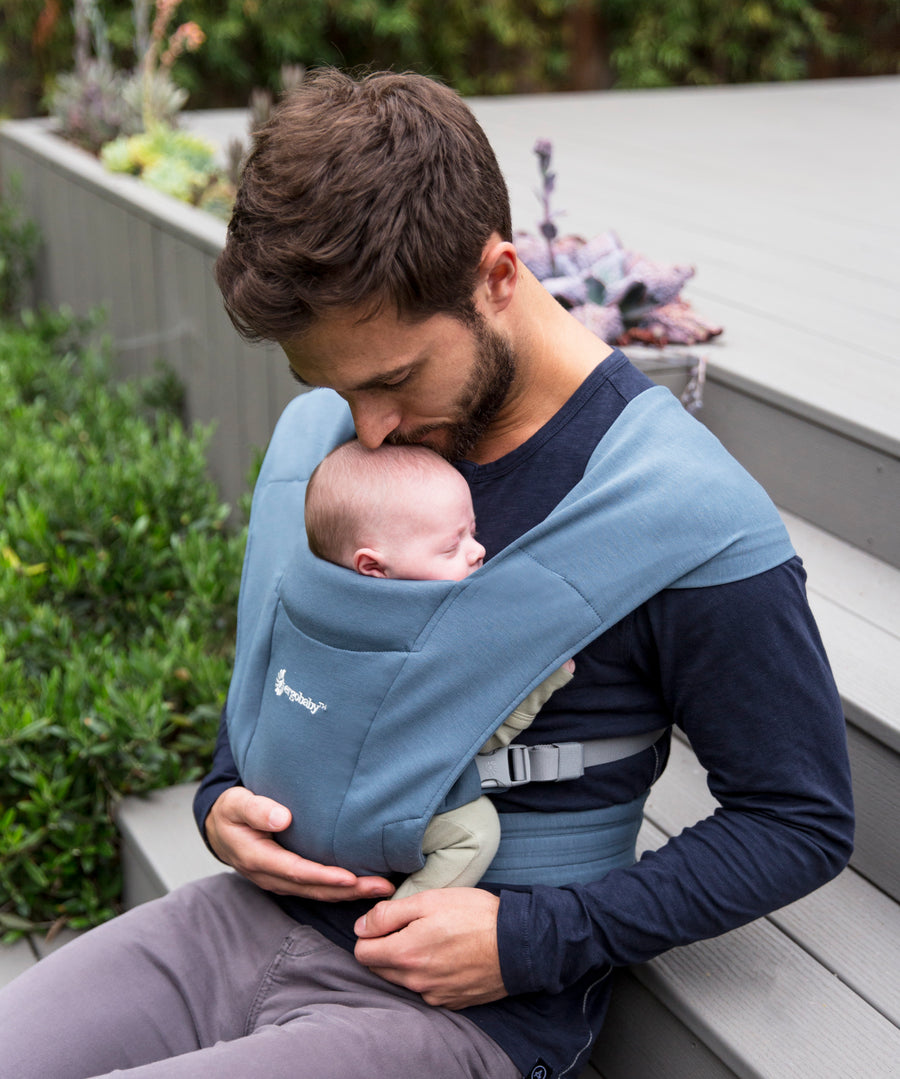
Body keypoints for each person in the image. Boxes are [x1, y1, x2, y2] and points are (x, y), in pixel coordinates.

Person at [0, 68, 853, 1079]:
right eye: (331, 385)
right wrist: (226, 797)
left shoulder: (686, 520)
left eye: (394, 378)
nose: (362, 429)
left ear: (497, 276)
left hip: (460, 1013)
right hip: (239, 922)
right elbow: (297, 675)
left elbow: (798, 816)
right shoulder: (332, 437)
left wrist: (532, 939)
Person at [301, 436, 574, 899]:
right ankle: (400, 923)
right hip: (363, 815)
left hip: (299, 797)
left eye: (473, 530)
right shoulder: (429, 639)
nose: (478, 550)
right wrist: (542, 684)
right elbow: (465, 738)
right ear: (373, 567)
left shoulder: (314, 602)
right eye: (451, 548)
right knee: (475, 831)